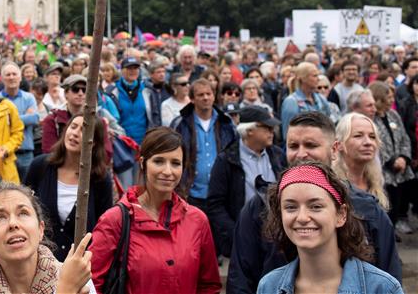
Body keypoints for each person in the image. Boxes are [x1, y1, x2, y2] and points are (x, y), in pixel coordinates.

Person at [226, 111, 401, 294]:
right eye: (293, 146)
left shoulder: (367, 208)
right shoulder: (259, 208)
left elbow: (389, 273)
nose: (301, 154)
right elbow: (241, 279)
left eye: (311, 145)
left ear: (334, 149)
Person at [90, 126, 221, 293]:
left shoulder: (197, 221)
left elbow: (209, 285)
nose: (167, 171)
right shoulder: (115, 220)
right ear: (143, 163)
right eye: (159, 161)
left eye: (175, 163)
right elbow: (92, 284)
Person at [257, 162, 403, 294]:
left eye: (316, 206)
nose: (302, 217)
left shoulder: (381, 288)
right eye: (290, 207)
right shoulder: (269, 286)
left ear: (341, 215)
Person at [0, 181, 95, 294]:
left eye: (23, 213)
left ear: (40, 229)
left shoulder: (78, 280)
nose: (13, 224)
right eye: (0, 217)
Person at [24, 115, 112, 261]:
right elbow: (24, 209)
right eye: (73, 127)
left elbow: (104, 230)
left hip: (81, 265)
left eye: (84, 130)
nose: (75, 133)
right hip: (39, 263)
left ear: (94, 142)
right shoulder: (40, 166)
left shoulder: (100, 179)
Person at [206, 106, 285, 258]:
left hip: (275, 240)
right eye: (267, 127)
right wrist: (235, 233)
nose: (272, 132)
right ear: (249, 131)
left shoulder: (277, 155)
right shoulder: (227, 159)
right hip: (243, 243)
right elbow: (215, 204)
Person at [171, 78, 237, 213]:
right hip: (191, 193)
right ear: (192, 99)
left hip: (221, 195)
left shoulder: (226, 123)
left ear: (214, 96)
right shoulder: (180, 124)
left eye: (209, 94)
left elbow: (235, 154)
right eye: (200, 95)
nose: (205, 98)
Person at [369, 81, 415, 233]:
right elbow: (374, 146)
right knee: (384, 210)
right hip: (382, 174)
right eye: (388, 97)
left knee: (396, 207)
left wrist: (403, 157)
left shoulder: (393, 115)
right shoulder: (370, 119)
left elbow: (404, 138)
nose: (391, 100)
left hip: (400, 172)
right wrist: (391, 161)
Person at [332, 112, 389, 209]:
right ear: (339, 144)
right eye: (358, 136)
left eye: (372, 137)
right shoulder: (332, 184)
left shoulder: (375, 182)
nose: (368, 142)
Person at [0, 62, 39, 181]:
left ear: (20, 77)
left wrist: (9, 119)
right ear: (2, 79)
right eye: (8, 74)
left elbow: (35, 118)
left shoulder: (29, 97)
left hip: (26, 154)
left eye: (14, 74)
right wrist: (25, 117)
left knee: (28, 192)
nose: (11, 77)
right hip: (5, 154)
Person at [280, 62, 332, 142]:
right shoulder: (291, 102)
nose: (318, 79)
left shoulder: (321, 99)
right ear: (303, 78)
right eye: (314, 76)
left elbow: (328, 124)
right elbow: (288, 135)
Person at [42, 74, 87, 153]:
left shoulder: (96, 118)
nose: (80, 93)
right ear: (66, 93)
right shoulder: (53, 119)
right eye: (75, 89)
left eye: (84, 90)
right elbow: (49, 150)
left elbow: (104, 152)